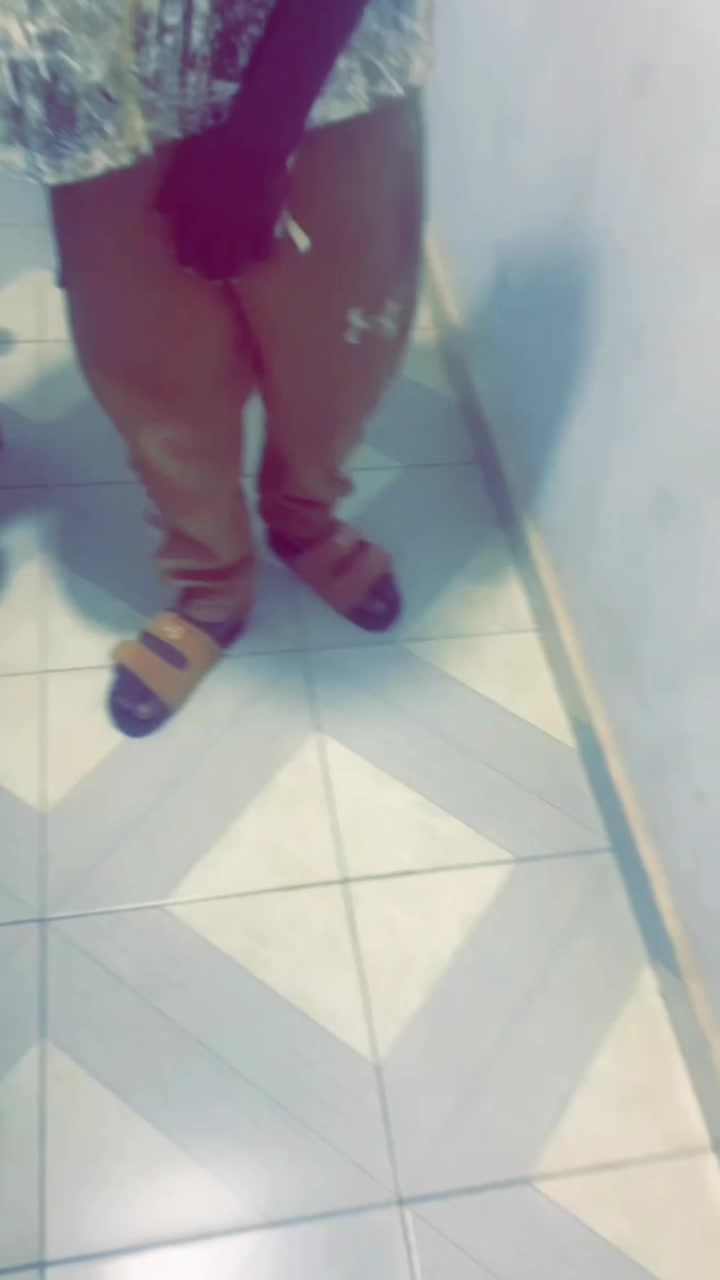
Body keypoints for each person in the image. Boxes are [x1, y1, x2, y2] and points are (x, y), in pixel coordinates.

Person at [0, 0, 432, 736]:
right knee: (151, 363)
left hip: (328, 69)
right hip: (95, 68)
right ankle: (212, 580)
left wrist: (259, 139)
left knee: (341, 343)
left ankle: (305, 519)